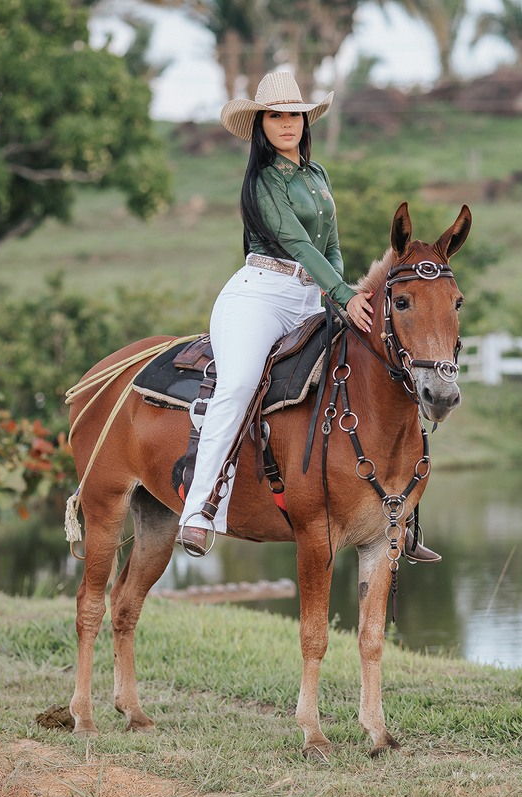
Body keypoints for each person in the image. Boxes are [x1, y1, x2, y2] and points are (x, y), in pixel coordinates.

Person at [175, 72, 440, 564]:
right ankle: (198, 509)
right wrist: (341, 292)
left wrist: (341, 293)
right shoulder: (262, 180)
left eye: (294, 114)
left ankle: (401, 514)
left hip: (312, 296)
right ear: (262, 125)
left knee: (384, 368)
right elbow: (295, 243)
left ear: (304, 120)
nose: (287, 124)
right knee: (238, 385)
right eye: (276, 115)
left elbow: (331, 246)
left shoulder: (317, 177)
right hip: (261, 294)